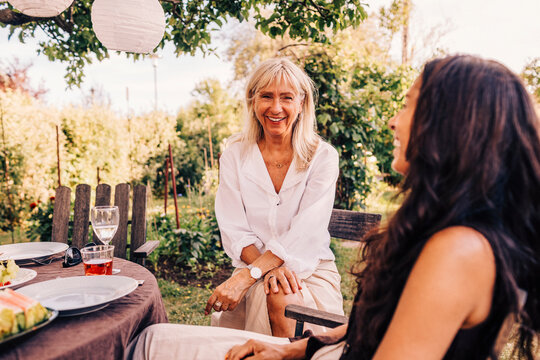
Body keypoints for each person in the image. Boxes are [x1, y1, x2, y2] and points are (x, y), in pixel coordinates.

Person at [125, 55, 540, 359]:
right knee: (150, 340)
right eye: (265, 96)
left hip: (314, 306)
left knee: (148, 347)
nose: (394, 121)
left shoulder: (458, 252)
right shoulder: (440, 228)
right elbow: (369, 331)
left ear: (452, 125)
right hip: (322, 349)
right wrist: (293, 352)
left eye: (408, 103)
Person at [207, 57, 343, 337]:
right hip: (253, 266)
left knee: (281, 294)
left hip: (311, 270)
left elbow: (305, 234)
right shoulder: (235, 154)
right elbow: (233, 227)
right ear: (252, 101)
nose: (276, 107)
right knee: (276, 289)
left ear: (302, 104)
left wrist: (250, 275)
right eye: (266, 96)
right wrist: (261, 271)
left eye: (287, 97)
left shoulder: (323, 157)